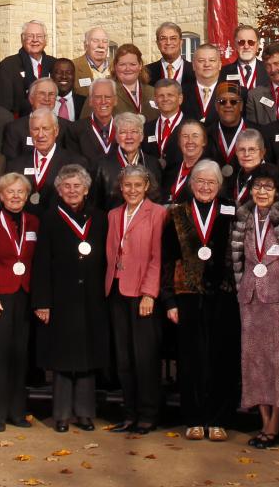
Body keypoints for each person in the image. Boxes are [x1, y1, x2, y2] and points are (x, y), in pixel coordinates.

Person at [163, 159, 241, 442]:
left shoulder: (232, 211)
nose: (205, 187)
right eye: (200, 182)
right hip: (187, 295)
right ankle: (194, 419)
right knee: (191, 359)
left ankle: (219, 419)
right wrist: (169, 300)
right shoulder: (177, 213)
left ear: (219, 186)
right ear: (191, 184)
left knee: (222, 358)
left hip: (224, 295)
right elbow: (168, 260)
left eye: (211, 182)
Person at [32, 165, 111, 433]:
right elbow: (41, 262)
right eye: (67, 186)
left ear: (87, 189)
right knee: (62, 357)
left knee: (88, 356)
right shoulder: (50, 218)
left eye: (77, 186)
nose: (72, 190)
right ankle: (62, 415)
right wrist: (42, 302)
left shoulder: (100, 219)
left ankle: (86, 414)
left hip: (92, 297)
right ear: (59, 190)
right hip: (60, 297)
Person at [228, 164, 279, 449]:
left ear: (277, 190)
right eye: (257, 186)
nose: (262, 192)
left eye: (268, 187)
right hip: (250, 297)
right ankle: (263, 417)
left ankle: (276, 423)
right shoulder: (242, 217)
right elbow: (237, 260)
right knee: (253, 361)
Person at [105, 165, 167, 435]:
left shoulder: (158, 213)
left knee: (145, 357)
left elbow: (157, 257)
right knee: (124, 358)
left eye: (137, 185)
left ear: (147, 186)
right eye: (127, 185)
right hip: (116, 290)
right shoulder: (113, 214)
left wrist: (149, 293)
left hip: (142, 294)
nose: (132, 190)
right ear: (121, 187)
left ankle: (148, 414)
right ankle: (129, 413)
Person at [0, 173, 39, 432]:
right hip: (0, 297)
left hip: (24, 295)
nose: (15, 196)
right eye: (10, 192)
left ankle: (17, 412)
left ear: (27, 196)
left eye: (20, 192)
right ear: (1, 195)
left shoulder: (34, 222)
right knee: (0, 355)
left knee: (19, 355)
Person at [6, 108, 88, 214]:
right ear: (30, 132)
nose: (40, 135)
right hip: (25, 225)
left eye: (45, 128)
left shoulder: (76, 163)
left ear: (56, 131)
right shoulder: (15, 166)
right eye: (36, 129)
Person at [97, 112, 163, 208]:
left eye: (134, 132)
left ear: (141, 136)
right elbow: (97, 205)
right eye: (123, 132)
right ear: (116, 137)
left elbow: (157, 200)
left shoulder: (153, 164)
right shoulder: (102, 165)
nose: (129, 137)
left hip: (146, 221)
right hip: (113, 221)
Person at [2, 78, 75, 159]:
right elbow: (11, 163)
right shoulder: (14, 128)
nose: (46, 99)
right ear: (31, 99)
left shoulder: (68, 127)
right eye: (41, 94)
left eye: (51, 94)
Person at [0, 21, 57, 115]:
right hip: (20, 125)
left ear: (45, 40)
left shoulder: (54, 64)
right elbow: (3, 108)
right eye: (30, 36)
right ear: (22, 39)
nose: (35, 40)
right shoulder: (8, 66)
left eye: (39, 36)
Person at [73, 78, 119, 166]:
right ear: (90, 101)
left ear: (115, 100)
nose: (103, 101)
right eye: (98, 97)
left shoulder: (124, 129)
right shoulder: (75, 130)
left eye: (108, 97)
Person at [162, 120, 210, 204]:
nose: (190, 141)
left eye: (195, 136)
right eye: (185, 136)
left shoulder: (211, 171)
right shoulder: (171, 171)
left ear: (204, 141)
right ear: (179, 142)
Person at [207, 83, 252, 169]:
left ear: (241, 106)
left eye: (233, 101)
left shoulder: (257, 132)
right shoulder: (206, 134)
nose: (228, 105)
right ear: (216, 106)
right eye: (222, 101)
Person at [145, 79, 188, 167]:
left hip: (181, 179)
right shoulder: (146, 128)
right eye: (161, 96)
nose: (165, 99)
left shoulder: (193, 127)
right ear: (156, 100)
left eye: (170, 95)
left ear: (180, 99)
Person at [247, 45, 279, 126]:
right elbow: (253, 132)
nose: (273, 69)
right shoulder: (255, 96)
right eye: (268, 65)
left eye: (277, 63)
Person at [112, 43, 158, 121]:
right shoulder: (104, 93)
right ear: (115, 66)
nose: (127, 69)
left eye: (133, 64)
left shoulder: (153, 92)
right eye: (122, 64)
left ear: (140, 66)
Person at [222, 24, 270, 94]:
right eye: (241, 42)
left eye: (251, 42)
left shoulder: (269, 70)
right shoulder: (223, 73)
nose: (246, 46)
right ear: (235, 45)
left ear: (258, 45)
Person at [225, 129, 269, 206]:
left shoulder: (271, 177)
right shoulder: (234, 175)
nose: (246, 154)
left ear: (262, 152)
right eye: (242, 150)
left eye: (252, 150)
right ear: (236, 152)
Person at [184, 44, 224, 123]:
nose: (207, 64)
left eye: (212, 60)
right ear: (193, 65)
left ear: (220, 65)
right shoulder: (181, 92)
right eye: (201, 61)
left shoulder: (233, 92)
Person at [147, 21, 196, 86]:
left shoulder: (195, 70)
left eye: (173, 38)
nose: (168, 42)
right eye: (163, 38)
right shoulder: (147, 72)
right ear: (158, 44)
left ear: (181, 42)